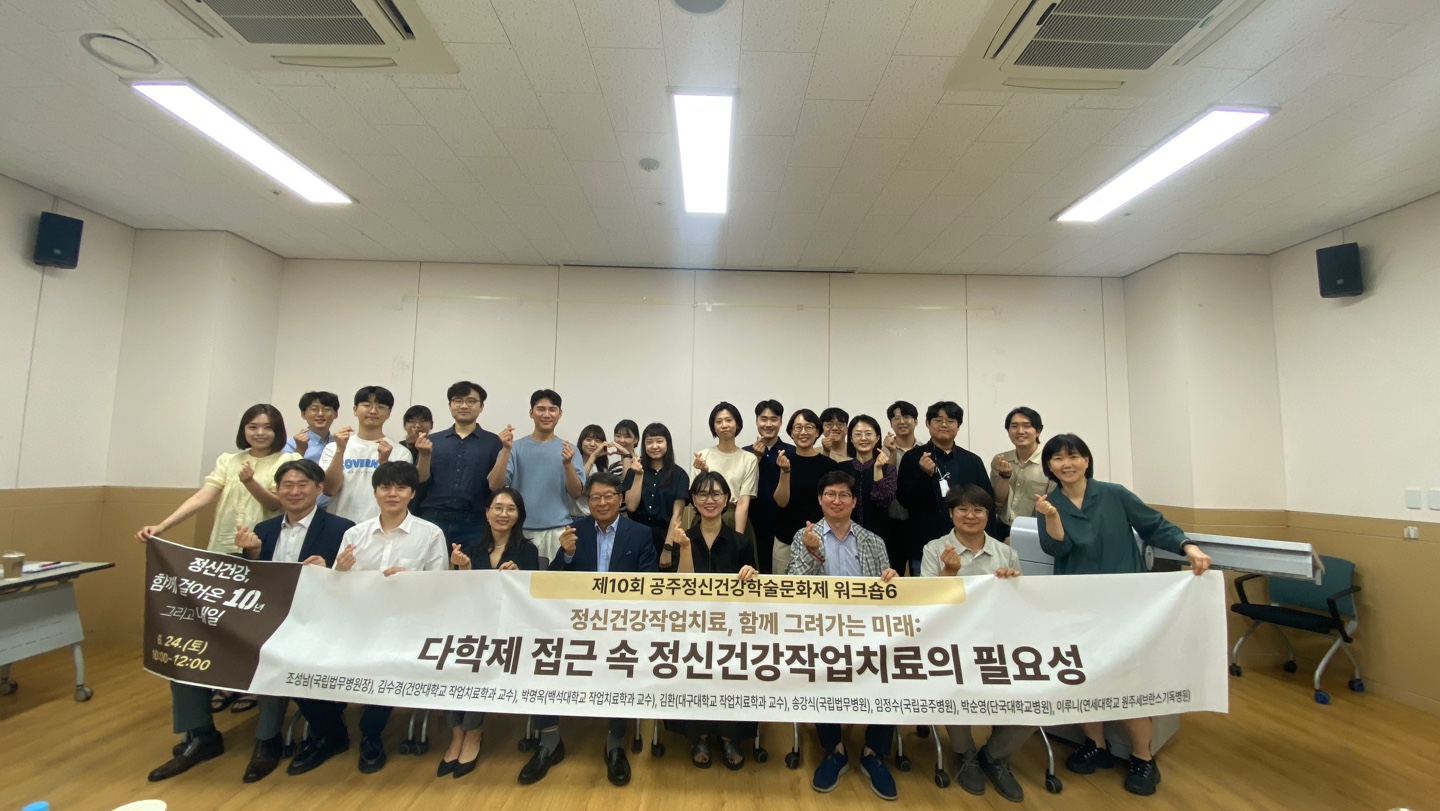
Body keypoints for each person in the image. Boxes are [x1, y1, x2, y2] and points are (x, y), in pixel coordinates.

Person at [1034, 433, 1213, 796]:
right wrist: (1052, 518)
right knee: (1082, 677)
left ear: (1087, 460)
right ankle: (1095, 745)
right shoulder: (1048, 504)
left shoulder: (1114, 494)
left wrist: (1189, 547)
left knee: (1129, 681)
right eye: (1058, 458)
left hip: (1127, 605)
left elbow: (1154, 525)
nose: (1066, 464)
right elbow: (1057, 549)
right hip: (1078, 605)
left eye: (1073, 456)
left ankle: (1143, 758)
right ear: (1049, 466)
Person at [523, 472, 658, 787]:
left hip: (622, 626)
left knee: (623, 660)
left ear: (620, 498)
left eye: (608, 496)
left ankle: (615, 742)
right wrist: (567, 555)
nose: (602, 502)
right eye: (595, 497)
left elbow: (650, 582)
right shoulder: (575, 531)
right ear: (588, 501)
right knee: (545, 655)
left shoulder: (640, 533)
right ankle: (550, 740)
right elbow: (552, 582)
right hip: (576, 625)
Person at [231, 459, 355, 783]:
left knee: (289, 657)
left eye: (303, 484)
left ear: (319, 489)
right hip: (271, 621)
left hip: (323, 623)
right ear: (277, 490)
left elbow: (355, 584)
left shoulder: (342, 529)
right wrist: (252, 555)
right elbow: (251, 586)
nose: (294, 491)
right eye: (287, 485)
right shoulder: (264, 530)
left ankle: (322, 734)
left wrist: (331, 571)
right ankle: (245, 737)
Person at [325, 461, 447, 775]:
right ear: (375, 491)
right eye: (385, 487)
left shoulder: (430, 534)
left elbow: (440, 587)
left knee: (387, 661)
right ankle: (331, 730)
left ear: (412, 493)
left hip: (406, 625)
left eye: (401, 488)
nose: (392, 494)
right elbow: (337, 588)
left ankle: (371, 733)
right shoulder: (355, 534)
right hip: (357, 623)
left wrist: (411, 580)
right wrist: (338, 571)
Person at [787, 470, 899, 800]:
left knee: (890, 671)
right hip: (819, 630)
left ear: (853, 502)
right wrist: (813, 553)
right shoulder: (804, 536)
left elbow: (886, 595)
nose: (837, 501)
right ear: (820, 499)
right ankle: (834, 749)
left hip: (866, 630)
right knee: (820, 673)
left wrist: (891, 580)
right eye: (830, 494)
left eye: (844, 495)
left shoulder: (872, 540)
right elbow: (795, 586)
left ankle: (874, 752)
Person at [919, 484, 1031, 803]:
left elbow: (1021, 606)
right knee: (952, 684)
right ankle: (964, 753)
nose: (970, 516)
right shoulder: (934, 549)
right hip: (950, 642)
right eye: (962, 509)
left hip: (999, 643)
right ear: (951, 513)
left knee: (1038, 693)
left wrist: (1013, 585)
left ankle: (995, 755)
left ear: (988, 515)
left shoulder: (1006, 553)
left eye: (978, 510)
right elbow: (927, 606)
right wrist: (949, 572)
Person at [660, 471, 759, 769]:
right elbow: (681, 589)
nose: (710, 500)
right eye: (702, 494)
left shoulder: (741, 541)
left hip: (732, 628)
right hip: (690, 626)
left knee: (735, 669)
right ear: (693, 499)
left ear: (727, 499)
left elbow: (755, 592)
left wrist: (751, 575)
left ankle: (730, 735)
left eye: (716, 494)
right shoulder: (682, 538)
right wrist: (685, 548)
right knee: (691, 665)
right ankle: (698, 734)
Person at [440, 487, 539, 779]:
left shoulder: (527, 550)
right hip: (471, 626)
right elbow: (459, 597)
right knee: (449, 659)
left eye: (510, 509)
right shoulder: (470, 549)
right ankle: (456, 734)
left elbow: (533, 600)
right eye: (497, 507)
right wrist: (463, 568)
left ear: (519, 516)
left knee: (479, 662)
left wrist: (519, 578)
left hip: (509, 631)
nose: (503, 514)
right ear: (486, 512)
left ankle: (473, 733)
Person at [136, 404, 298, 556]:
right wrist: (162, 526)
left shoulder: (289, 460)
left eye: (268, 427)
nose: (260, 433)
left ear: (278, 431)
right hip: (224, 542)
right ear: (243, 430)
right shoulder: (228, 460)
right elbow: (202, 497)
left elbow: (275, 505)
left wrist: (250, 483)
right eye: (253, 427)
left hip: (265, 544)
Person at [896, 401, 998, 577]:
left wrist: (989, 541)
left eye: (951, 421)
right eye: (938, 420)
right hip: (925, 546)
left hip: (970, 547)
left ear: (958, 426)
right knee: (930, 593)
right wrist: (924, 475)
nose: (944, 425)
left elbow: (988, 503)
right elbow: (904, 500)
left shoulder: (972, 461)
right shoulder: (912, 458)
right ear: (927, 423)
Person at [489, 389, 583, 562]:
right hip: (519, 530)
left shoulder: (570, 450)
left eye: (552, 409)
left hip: (557, 531)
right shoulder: (514, 447)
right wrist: (505, 450)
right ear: (531, 412)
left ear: (560, 414)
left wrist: (568, 464)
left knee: (554, 578)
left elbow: (576, 493)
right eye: (541, 409)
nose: (546, 414)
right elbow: (495, 486)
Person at [415, 382, 503, 558]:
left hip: (474, 522)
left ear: (481, 406)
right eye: (458, 401)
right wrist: (424, 455)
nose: (464, 406)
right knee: (428, 571)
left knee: (471, 571)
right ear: (450, 405)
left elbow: (497, 485)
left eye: (471, 401)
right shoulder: (433, 441)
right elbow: (420, 480)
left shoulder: (493, 442)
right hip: (433, 518)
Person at [319, 386, 414, 525]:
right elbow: (329, 490)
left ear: (389, 413)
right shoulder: (333, 448)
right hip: (339, 524)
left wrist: (384, 463)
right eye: (367, 405)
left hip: (381, 526)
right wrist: (340, 451)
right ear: (355, 409)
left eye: (380, 407)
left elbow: (399, 495)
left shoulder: (400, 452)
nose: (373, 411)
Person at [772, 409, 838, 575]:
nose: (803, 432)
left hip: (822, 541)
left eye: (809, 427)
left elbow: (834, 505)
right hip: (785, 540)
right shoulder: (782, 461)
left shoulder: (829, 466)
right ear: (791, 433)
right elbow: (781, 502)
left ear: (817, 432)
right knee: (784, 588)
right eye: (798, 427)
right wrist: (785, 471)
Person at [692, 402, 759, 540]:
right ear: (713, 427)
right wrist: (704, 472)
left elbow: (743, 502)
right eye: (718, 421)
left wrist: (739, 539)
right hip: (706, 517)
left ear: (737, 424)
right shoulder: (702, 456)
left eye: (729, 420)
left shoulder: (749, 459)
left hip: (733, 518)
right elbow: (696, 496)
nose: (724, 425)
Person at [623, 423, 690, 556]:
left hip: (666, 537)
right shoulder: (634, 471)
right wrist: (639, 475)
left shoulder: (679, 475)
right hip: (635, 536)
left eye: (659, 441)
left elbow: (677, 515)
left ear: (667, 443)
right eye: (649, 442)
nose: (654, 446)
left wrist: (668, 547)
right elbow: (631, 506)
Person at [990, 406, 1053, 537]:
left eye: (1027, 426)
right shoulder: (1000, 460)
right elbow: (998, 501)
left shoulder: (1050, 463)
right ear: (1008, 431)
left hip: (1037, 529)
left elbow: (1052, 505)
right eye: (1014, 426)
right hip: (1002, 527)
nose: (1020, 431)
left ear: (1038, 431)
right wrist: (1004, 476)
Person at [845, 415, 898, 569]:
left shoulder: (888, 469)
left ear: (877, 438)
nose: (863, 438)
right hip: (846, 538)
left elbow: (883, 500)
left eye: (868, 434)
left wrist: (878, 469)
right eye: (858, 434)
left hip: (880, 538)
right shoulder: (841, 468)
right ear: (851, 439)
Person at [748, 399, 792, 575]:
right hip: (752, 523)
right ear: (756, 421)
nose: (768, 424)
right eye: (763, 419)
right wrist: (755, 459)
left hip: (783, 526)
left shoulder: (791, 452)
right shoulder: (746, 453)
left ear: (781, 422)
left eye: (774, 419)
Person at [883, 400, 921, 572]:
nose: (902, 421)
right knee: (892, 570)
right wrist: (890, 453)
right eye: (896, 418)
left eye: (907, 417)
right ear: (891, 423)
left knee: (919, 571)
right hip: (891, 520)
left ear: (916, 421)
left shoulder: (925, 450)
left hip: (919, 521)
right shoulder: (882, 451)